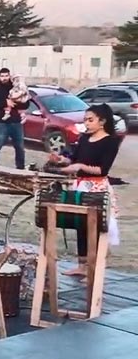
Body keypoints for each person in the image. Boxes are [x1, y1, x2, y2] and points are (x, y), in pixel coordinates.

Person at [46, 103, 121, 276]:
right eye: (85, 120)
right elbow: (73, 159)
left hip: (97, 187)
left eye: (90, 120)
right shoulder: (84, 138)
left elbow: (103, 170)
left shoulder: (110, 142)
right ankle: (81, 265)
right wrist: (60, 160)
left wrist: (80, 166)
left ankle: (94, 265)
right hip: (80, 186)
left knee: (94, 225)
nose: (86, 123)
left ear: (102, 121)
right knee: (80, 224)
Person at [0, 67, 28, 170]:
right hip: (2, 123)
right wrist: (5, 103)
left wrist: (17, 103)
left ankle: (21, 169)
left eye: (6, 76)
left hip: (16, 123)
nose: (4, 78)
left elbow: (26, 104)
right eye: (2, 76)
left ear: (9, 76)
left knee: (20, 148)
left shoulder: (16, 88)